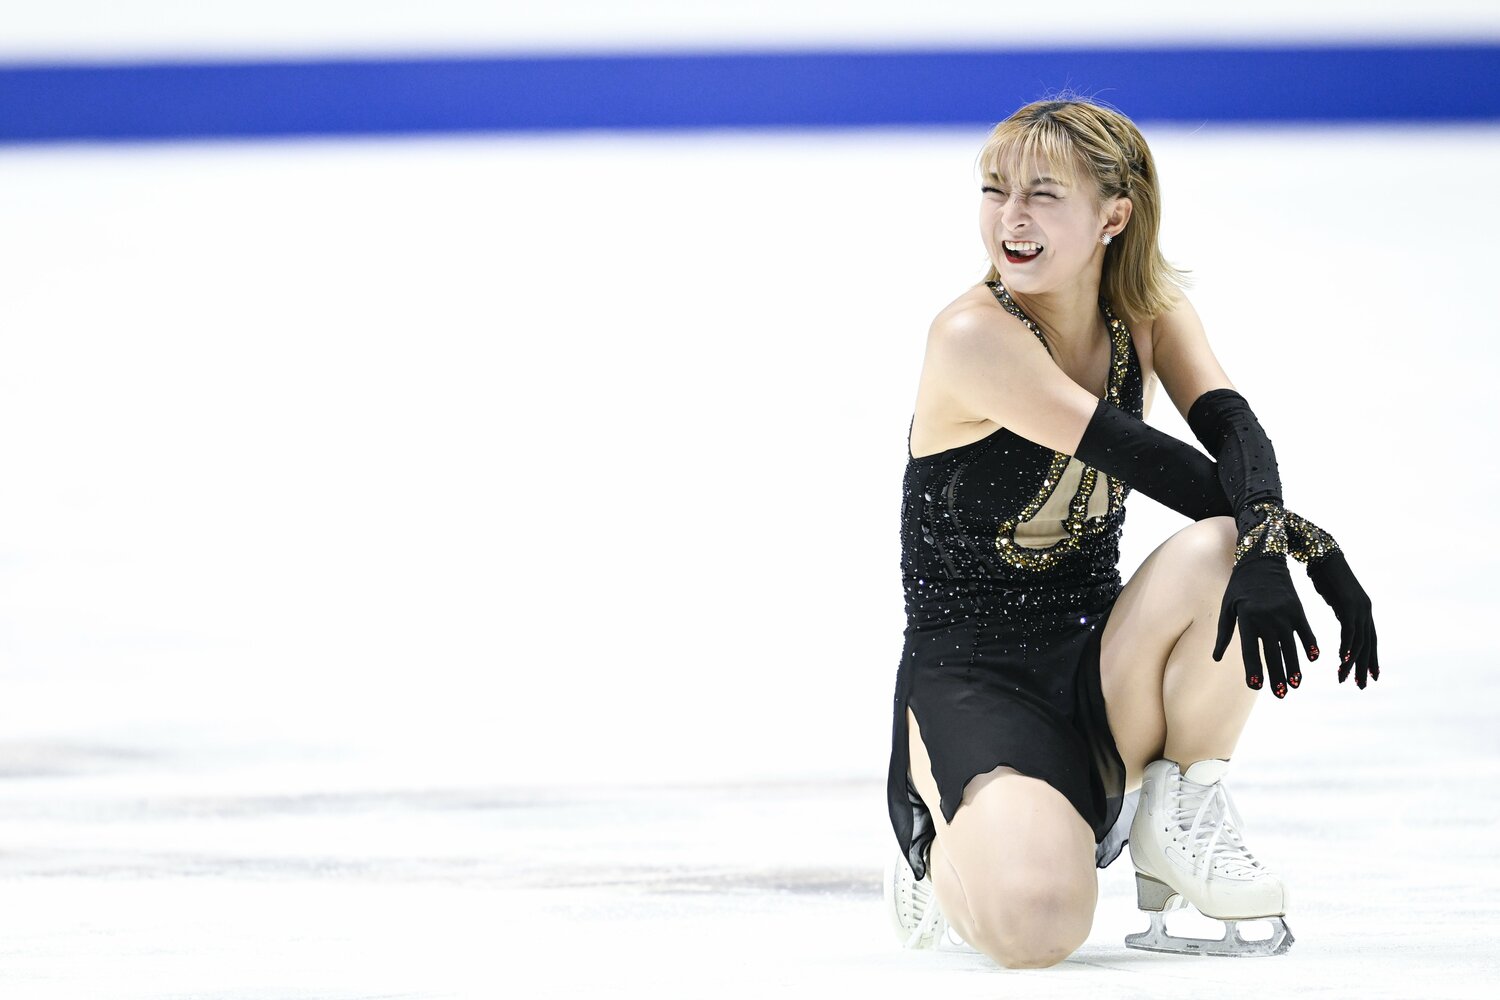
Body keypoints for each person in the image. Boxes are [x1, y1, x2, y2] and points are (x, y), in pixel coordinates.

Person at [881, 95, 1380, 967]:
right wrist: (1313, 547)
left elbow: (1234, 437)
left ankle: (1178, 809)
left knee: (1227, 549)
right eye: (996, 190)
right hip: (973, 676)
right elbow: (1155, 462)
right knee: (1039, 928)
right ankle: (939, 845)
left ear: (1115, 215)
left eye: (1043, 195)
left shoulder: (1143, 306)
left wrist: (1269, 544)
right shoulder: (973, 336)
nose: (1011, 218)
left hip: (1100, 656)